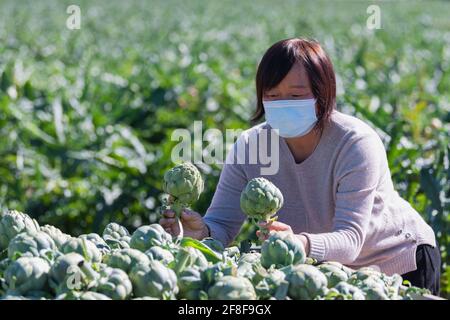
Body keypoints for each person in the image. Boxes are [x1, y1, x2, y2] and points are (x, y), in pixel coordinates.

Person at [160, 37, 441, 295]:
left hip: (399, 262)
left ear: (322, 94)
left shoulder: (354, 143)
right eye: (272, 95)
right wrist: (201, 233)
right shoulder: (251, 146)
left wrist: (302, 244)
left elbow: (351, 239)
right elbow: (221, 223)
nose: (283, 104)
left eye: (295, 96)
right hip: (331, 272)